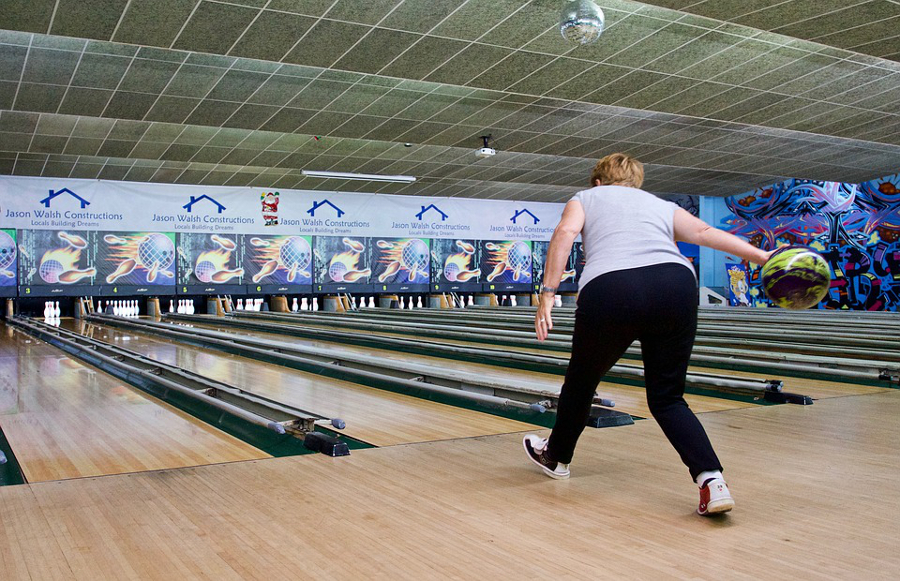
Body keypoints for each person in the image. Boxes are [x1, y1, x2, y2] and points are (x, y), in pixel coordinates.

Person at [523, 153, 773, 516]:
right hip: (675, 283)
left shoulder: (586, 198)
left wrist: (547, 294)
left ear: (598, 181)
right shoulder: (659, 204)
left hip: (612, 287)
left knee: (582, 381)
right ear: (636, 182)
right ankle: (711, 479)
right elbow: (704, 233)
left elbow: (565, 232)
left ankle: (557, 457)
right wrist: (763, 257)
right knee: (668, 397)